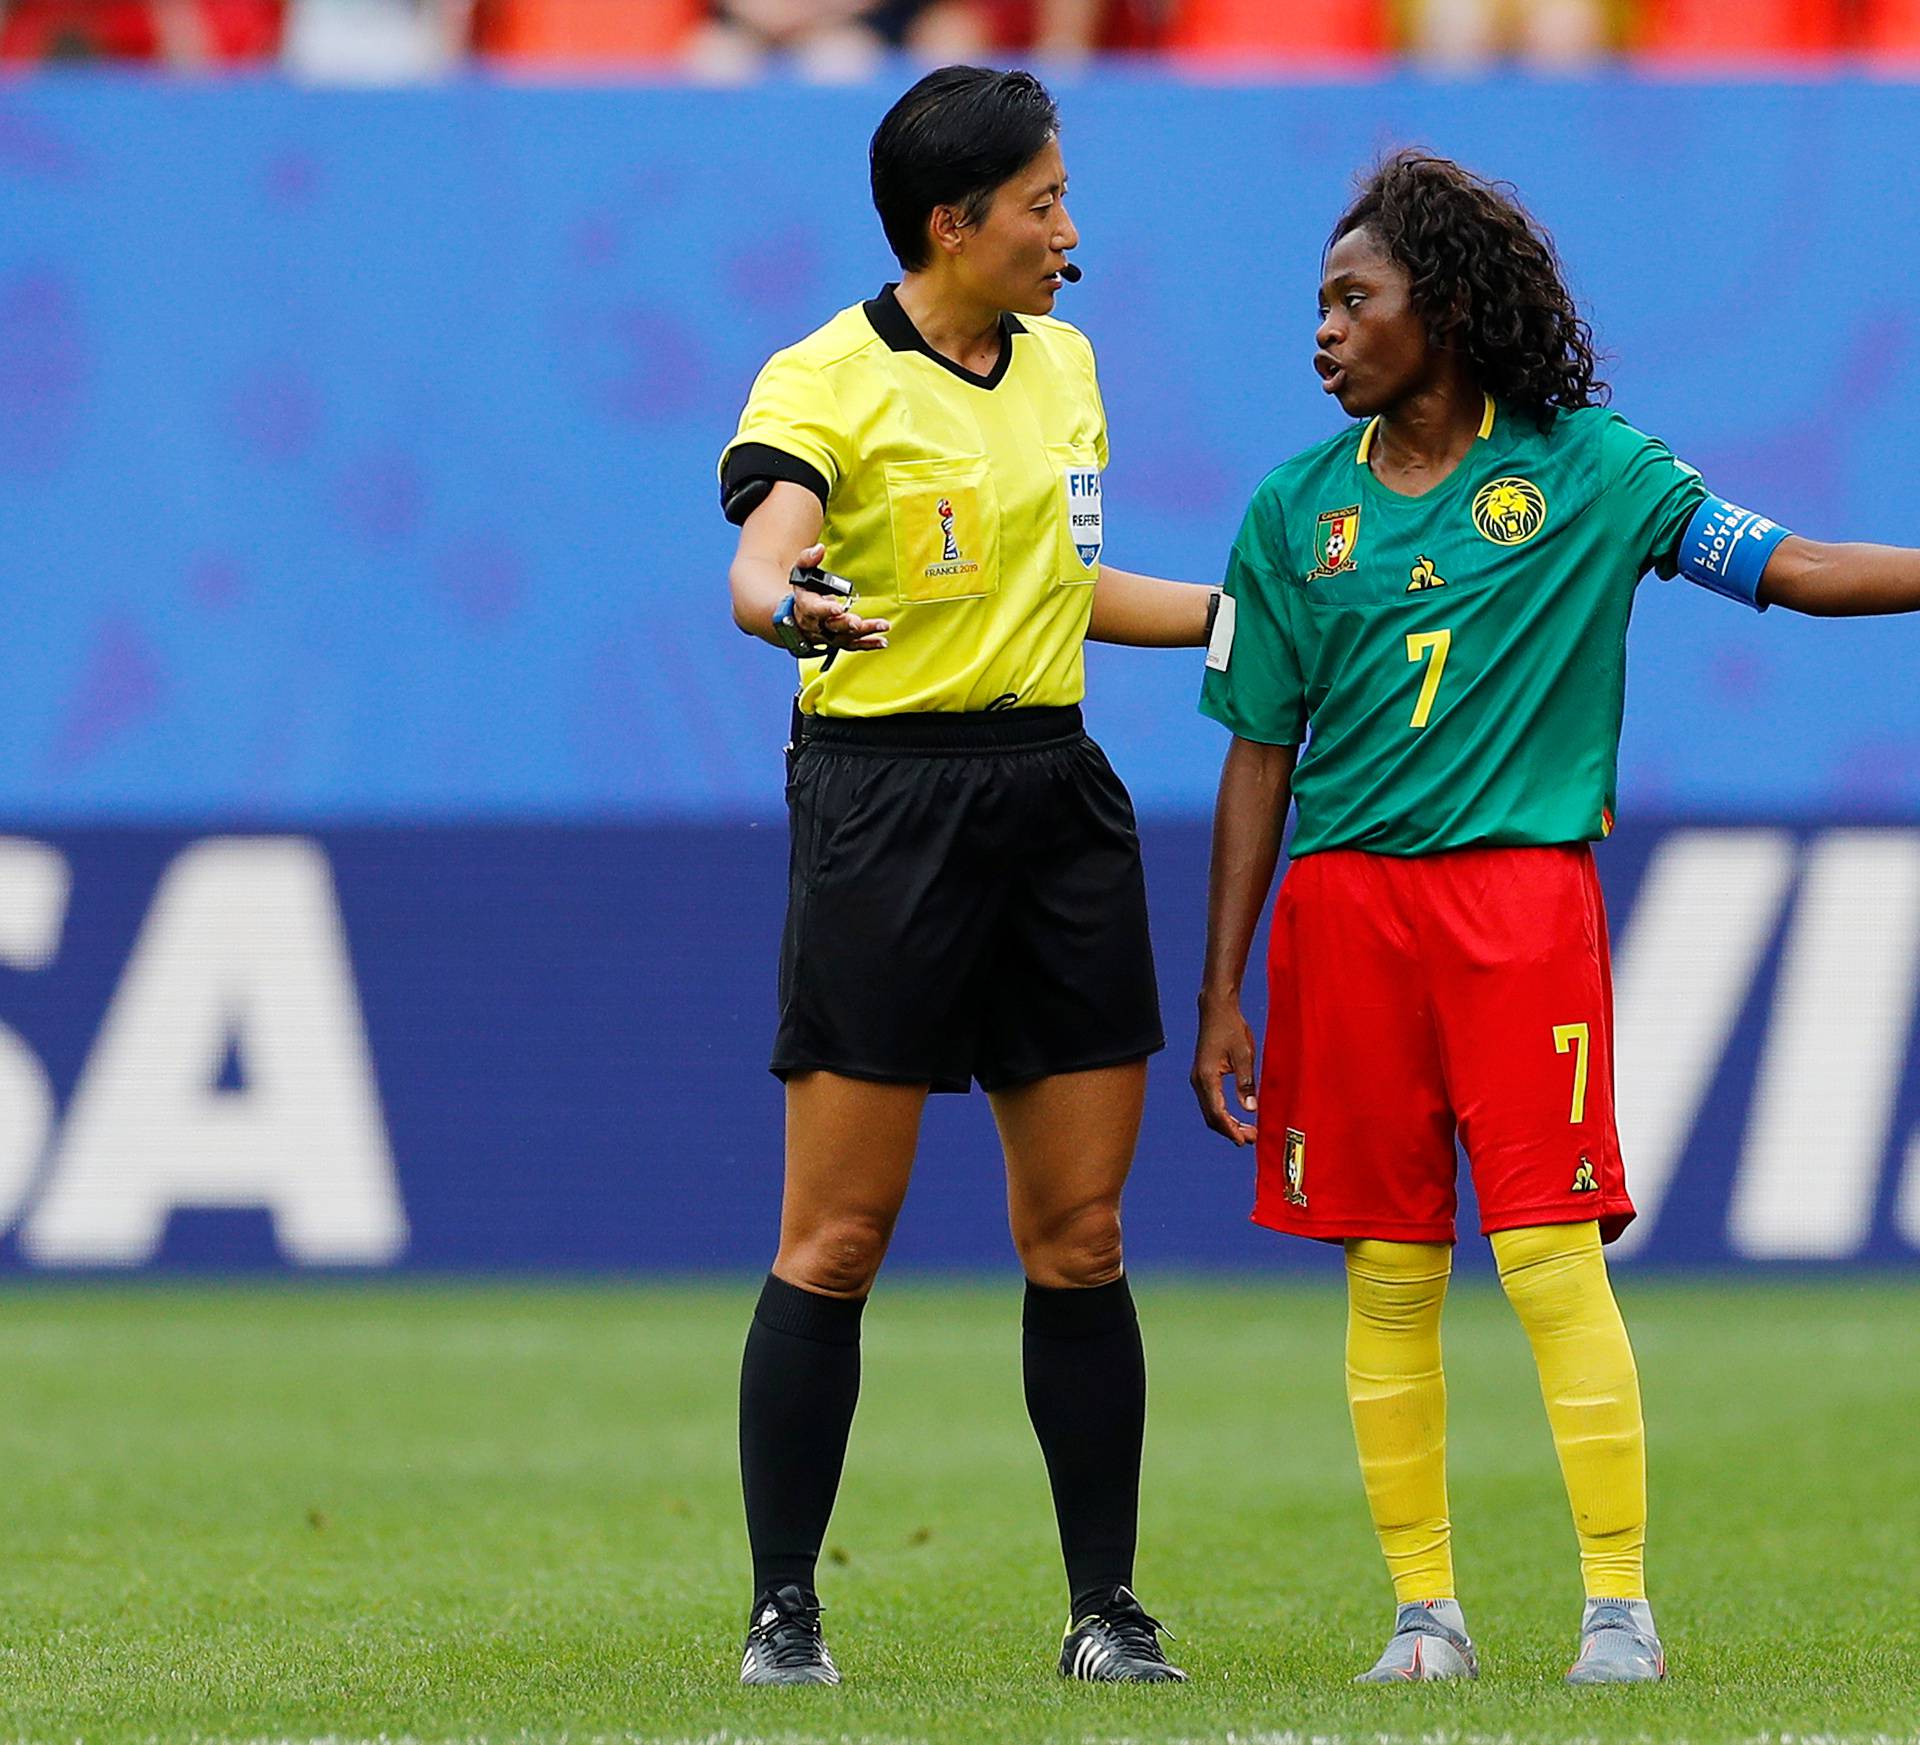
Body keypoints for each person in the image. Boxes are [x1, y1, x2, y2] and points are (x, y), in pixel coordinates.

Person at [1190, 149, 1920, 1687]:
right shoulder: (1287, 515)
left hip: (1519, 908)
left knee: (1544, 1257)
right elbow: (1261, 753)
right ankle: (1425, 1617)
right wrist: (1224, 990)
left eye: (1352, 299)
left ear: (1442, 311)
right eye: (1320, 302)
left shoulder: (1592, 472)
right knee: (1389, 1270)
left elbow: (1786, 566)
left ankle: (1615, 1611)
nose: (1322, 330)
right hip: (1343, 914)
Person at [718, 65, 1212, 1688]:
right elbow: (761, 563)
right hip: (886, 802)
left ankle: (1105, 1613)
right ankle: (786, 1606)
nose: (1071, 231)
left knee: (1080, 1233)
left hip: (1055, 795)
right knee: (837, 1237)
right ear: (955, 223)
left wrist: (1239, 615)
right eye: (1044, 202)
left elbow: (1069, 588)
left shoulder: (1064, 364)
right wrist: (800, 608)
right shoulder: (824, 376)